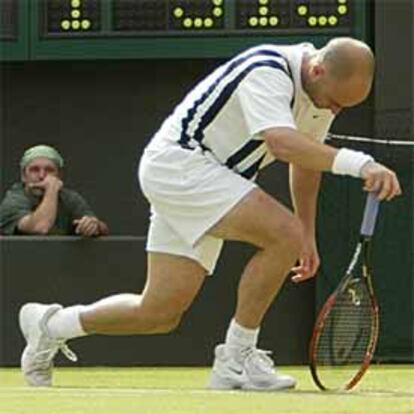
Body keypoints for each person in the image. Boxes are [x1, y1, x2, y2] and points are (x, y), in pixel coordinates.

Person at [18, 38, 401, 390]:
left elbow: (305, 162)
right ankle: (235, 359)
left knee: (159, 311)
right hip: (181, 165)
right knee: (282, 234)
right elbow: (283, 144)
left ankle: (51, 325)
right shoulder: (267, 70)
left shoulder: (322, 90)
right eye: (334, 102)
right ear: (317, 69)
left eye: (343, 107)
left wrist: (306, 231)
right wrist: (361, 164)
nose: (334, 110)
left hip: (205, 177)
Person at [0, 144, 109, 236]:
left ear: (59, 175)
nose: (42, 176)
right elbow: (40, 227)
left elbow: (103, 228)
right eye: (34, 170)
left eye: (49, 170)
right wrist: (51, 188)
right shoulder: (14, 199)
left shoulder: (69, 198)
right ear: (23, 175)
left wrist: (95, 226)